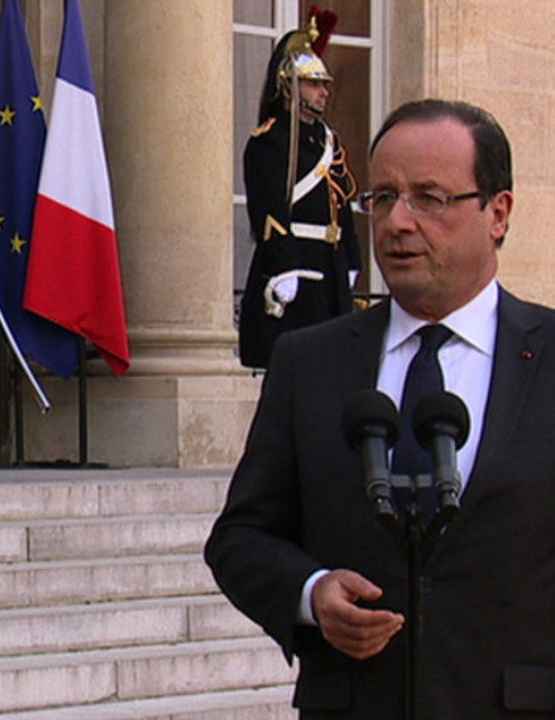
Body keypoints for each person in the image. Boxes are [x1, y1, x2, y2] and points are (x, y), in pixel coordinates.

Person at [204, 98, 555, 718]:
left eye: (429, 198)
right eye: (384, 197)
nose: (398, 222)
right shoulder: (308, 363)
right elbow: (240, 539)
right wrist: (311, 593)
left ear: (497, 213)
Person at [238, 10, 362, 369]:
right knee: (295, 362)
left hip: (330, 261)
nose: (324, 92)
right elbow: (268, 207)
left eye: (324, 84)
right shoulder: (271, 139)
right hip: (295, 265)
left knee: (333, 364)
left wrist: (351, 258)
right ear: (289, 84)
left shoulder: (327, 140)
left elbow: (342, 202)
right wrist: (283, 266)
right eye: (314, 83)